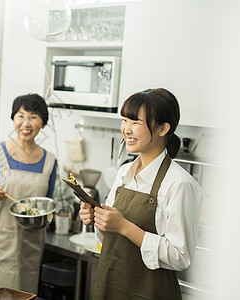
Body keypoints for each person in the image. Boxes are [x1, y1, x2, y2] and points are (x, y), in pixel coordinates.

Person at [79, 88, 202, 299]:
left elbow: (180, 257)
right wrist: (97, 219)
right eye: (124, 120)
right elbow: (108, 238)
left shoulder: (179, 184)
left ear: (163, 128)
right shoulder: (124, 172)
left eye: (135, 122)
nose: (126, 129)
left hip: (150, 293)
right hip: (109, 286)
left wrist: (125, 227)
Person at [0, 93, 57, 294]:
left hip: (30, 243)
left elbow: (48, 203)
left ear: (43, 123)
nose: (26, 123)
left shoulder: (50, 161)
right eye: (21, 116)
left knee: (23, 293)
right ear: (13, 119)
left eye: (34, 117)